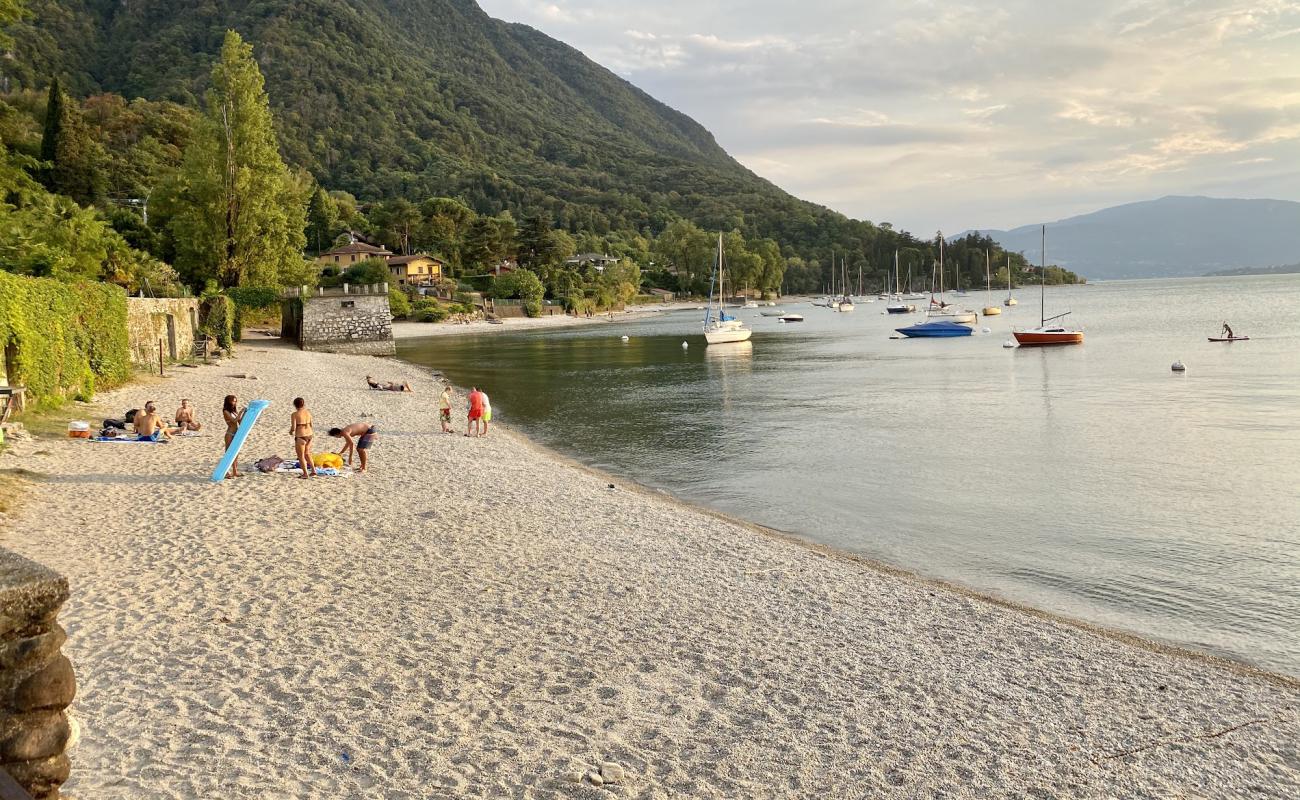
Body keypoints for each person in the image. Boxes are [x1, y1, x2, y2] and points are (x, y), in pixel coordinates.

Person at [290, 397, 317, 479]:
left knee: (301, 456)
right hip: (309, 435)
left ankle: (305, 474)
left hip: (301, 436)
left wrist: (291, 431)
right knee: (307, 453)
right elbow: (311, 424)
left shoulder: (294, 414)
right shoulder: (308, 412)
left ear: (294, 405)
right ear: (303, 404)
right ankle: (313, 471)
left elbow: (294, 427)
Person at [221, 395, 245, 478]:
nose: (235, 403)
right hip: (230, 434)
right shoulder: (225, 411)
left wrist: (244, 414)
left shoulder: (235, 412)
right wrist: (241, 412)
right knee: (228, 453)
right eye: (233, 401)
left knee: (236, 453)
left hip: (236, 434)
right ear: (228, 401)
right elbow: (234, 421)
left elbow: (240, 423)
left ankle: (235, 471)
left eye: (235, 401)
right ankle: (226, 471)